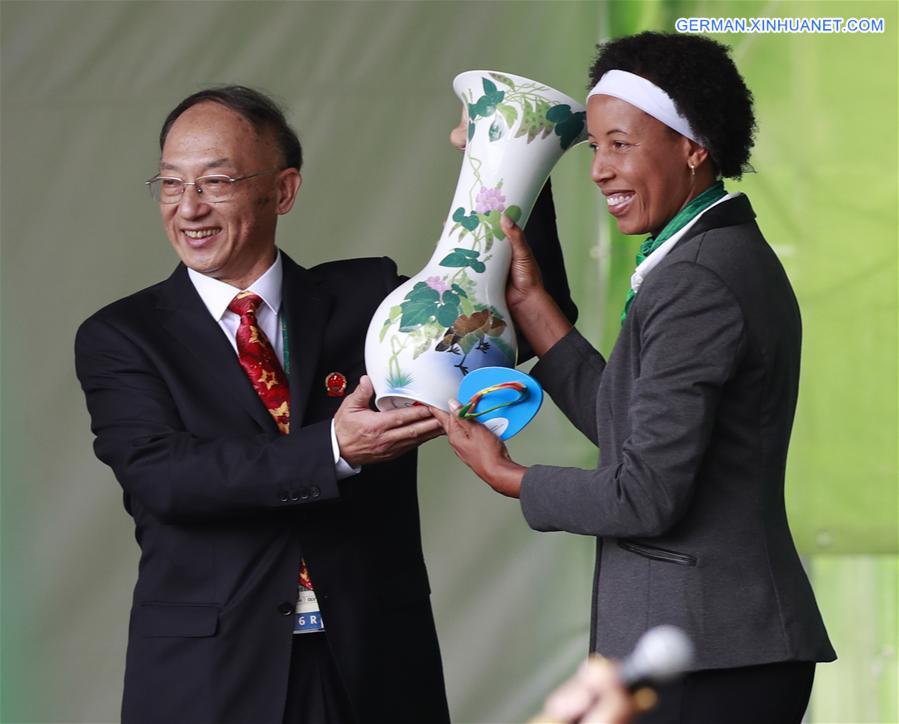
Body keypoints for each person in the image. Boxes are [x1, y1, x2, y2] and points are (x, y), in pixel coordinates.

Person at [75, 85, 576, 723]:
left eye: (216, 181)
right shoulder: (123, 336)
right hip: (210, 679)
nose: (189, 208)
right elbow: (165, 477)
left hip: (376, 665)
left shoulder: (371, 302)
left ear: (282, 191)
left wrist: (515, 165)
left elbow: (529, 315)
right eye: (171, 185)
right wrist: (333, 450)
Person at [432, 32, 836, 723]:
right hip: (715, 647)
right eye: (596, 148)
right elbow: (633, 429)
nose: (598, 170)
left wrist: (510, 476)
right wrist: (535, 311)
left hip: (712, 654)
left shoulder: (698, 280)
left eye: (620, 144)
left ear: (692, 146)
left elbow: (642, 495)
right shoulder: (704, 257)